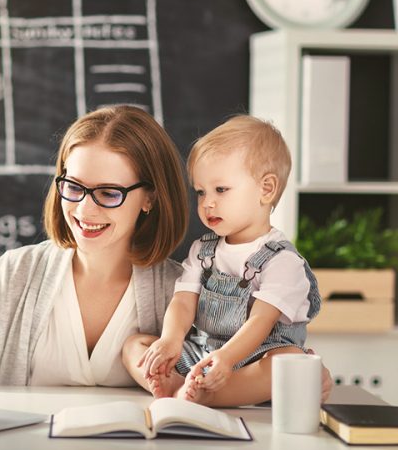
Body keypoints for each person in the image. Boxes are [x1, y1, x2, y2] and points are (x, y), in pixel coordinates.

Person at [0, 105, 189, 402]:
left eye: (108, 193)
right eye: (73, 186)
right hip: (25, 447)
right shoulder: (19, 271)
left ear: (150, 198)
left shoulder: (182, 292)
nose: (84, 210)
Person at [122, 114, 328, 407]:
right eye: (201, 192)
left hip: (252, 359)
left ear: (266, 189)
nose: (207, 203)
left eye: (221, 190)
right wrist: (170, 340)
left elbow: (260, 321)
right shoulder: (202, 250)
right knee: (135, 345)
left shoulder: (283, 261)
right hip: (203, 353)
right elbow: (183, 301)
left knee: (290, 361)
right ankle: (179, 383)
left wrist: (227, 360)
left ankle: (207, 395)